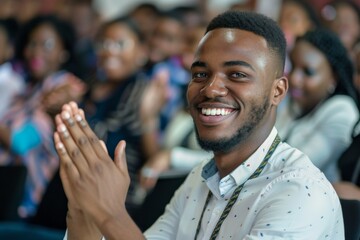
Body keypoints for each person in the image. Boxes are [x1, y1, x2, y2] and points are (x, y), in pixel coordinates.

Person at [54, 11, 344, 239]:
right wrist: (84, 209)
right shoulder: (199, 180)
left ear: (277, 91)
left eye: (237, 75)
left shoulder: (300, 192)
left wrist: (110, 214)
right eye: (201, 74)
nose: (212, 89)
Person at [0, 15, 86, 219]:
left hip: (23, 198)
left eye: (47, 44)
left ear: (63, 52)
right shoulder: (28, 89)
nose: (36, 51)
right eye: (32, 43)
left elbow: (22, 142)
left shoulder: (62, 88)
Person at [80, 16, 167, 217]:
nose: (110, 50)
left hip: (116, 203)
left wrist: (147, 117)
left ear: (141, 52)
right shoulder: (90, 84)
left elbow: (106, 143)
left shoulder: (141, 90)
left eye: (120, 44)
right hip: (81, 192)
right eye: (104, 43)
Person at [276, 28, 359, 183]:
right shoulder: (295, 102)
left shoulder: (342, 110)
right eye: (293, 66)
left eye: (308, 72)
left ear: (333, 78)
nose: (294, 79)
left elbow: (296, 168)